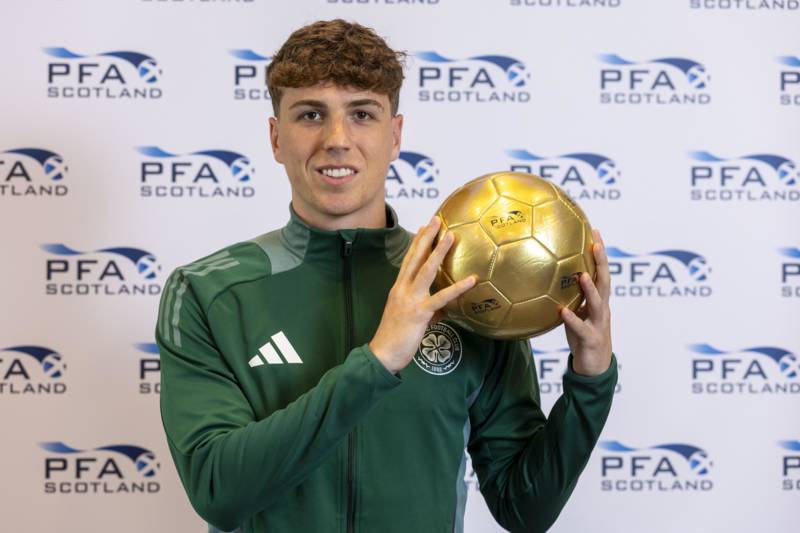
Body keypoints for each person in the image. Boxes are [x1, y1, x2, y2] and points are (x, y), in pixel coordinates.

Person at [156, 19, 617, 533]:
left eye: (362, 114)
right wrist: (377, 362)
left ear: (394, 136)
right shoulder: (208, 293)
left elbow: (524, 508)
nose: (337, 140)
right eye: (310, 114)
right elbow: (217, 490)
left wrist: (591, 380)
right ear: (276, 137)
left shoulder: (467, 287)